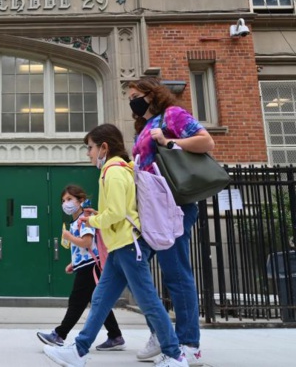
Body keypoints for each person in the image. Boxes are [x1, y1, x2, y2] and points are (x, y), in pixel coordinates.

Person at [43, 124, 187, 367]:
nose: (88, 153)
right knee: (100, 299)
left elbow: (118, 212)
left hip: (129, 245)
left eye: (90, 148)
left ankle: (175, 355)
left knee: (148, 301)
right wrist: (100, 215)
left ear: (104, 148)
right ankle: (79, 350)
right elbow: (120, 210)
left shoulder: (113, 171)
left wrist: (92, 219)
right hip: (121, 246)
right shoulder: (116, 170)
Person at [129, 76, 215, 366]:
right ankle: (162, 333)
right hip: (151, 208)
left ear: (151, 94)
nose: (132, 101)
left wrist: (169, 141)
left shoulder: (172, 115)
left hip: (174, 206)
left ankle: (189, 344)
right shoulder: (144, 125)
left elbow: (206, 141)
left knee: (176, 274)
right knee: (132, 266)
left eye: (135, 94)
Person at [36, 185, 125, 351]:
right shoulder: (76, 220)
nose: (65, 203)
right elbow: (83, 248)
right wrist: (73, 263)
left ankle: (59, 334)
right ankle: (115, 335)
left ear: (81, 200)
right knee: (98, 301)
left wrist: (69, 237)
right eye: (63, 200)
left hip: (90, 266)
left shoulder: (85, 217)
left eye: (69, 199)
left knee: (77, 301)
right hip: (86, 264)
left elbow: (87, 242)